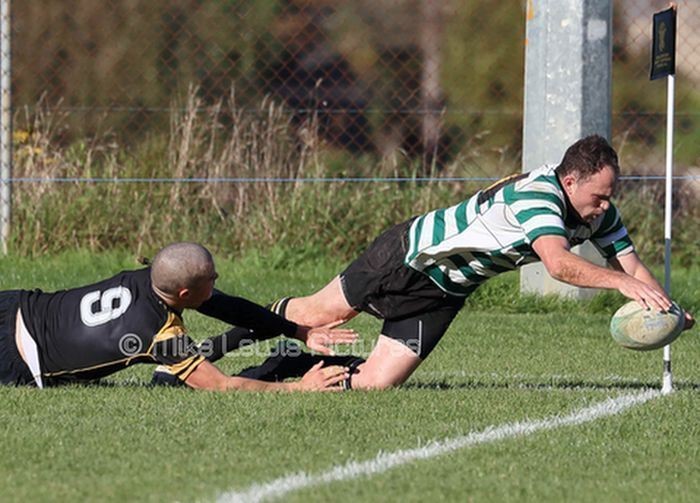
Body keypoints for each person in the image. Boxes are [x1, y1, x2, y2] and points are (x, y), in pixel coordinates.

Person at [222, 135, 695, 390]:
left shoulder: (599, 213)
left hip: (445, 291)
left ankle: (287, 369)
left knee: (374, 385)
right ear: (570, 180)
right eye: (598, 196)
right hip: (408, 257)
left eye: (610, 196)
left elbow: (633, 267)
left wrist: (663, 307)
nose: (604, 206)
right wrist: (620, 285)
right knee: (316, 314)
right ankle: (207, 356)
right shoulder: (538, 197)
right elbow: (557, 264)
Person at [0, 242, 356, 391]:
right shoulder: (162, 335)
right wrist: (299, 388)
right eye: (211, 279)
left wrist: (298, 330)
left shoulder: (146, 277)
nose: (216, 281)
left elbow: (228, 307)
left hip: (15, 303)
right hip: (20, 358)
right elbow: (223, 386)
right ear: (184, 294)